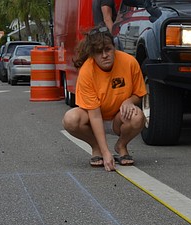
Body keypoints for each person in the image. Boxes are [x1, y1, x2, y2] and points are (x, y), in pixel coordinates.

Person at [62, 26, 146, 170]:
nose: (104, 55)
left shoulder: (130, 62)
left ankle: (121, 146)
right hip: (94, 118)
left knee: (138, 116)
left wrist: (129, 101)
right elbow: (94, 116)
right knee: (70, 119)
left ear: (114, 47)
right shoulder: (87, 71)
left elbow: (139, 94)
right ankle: (96, 148)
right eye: (98, 52)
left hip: (119, 118)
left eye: (108, 49)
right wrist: (106, 153)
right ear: (92, 54)